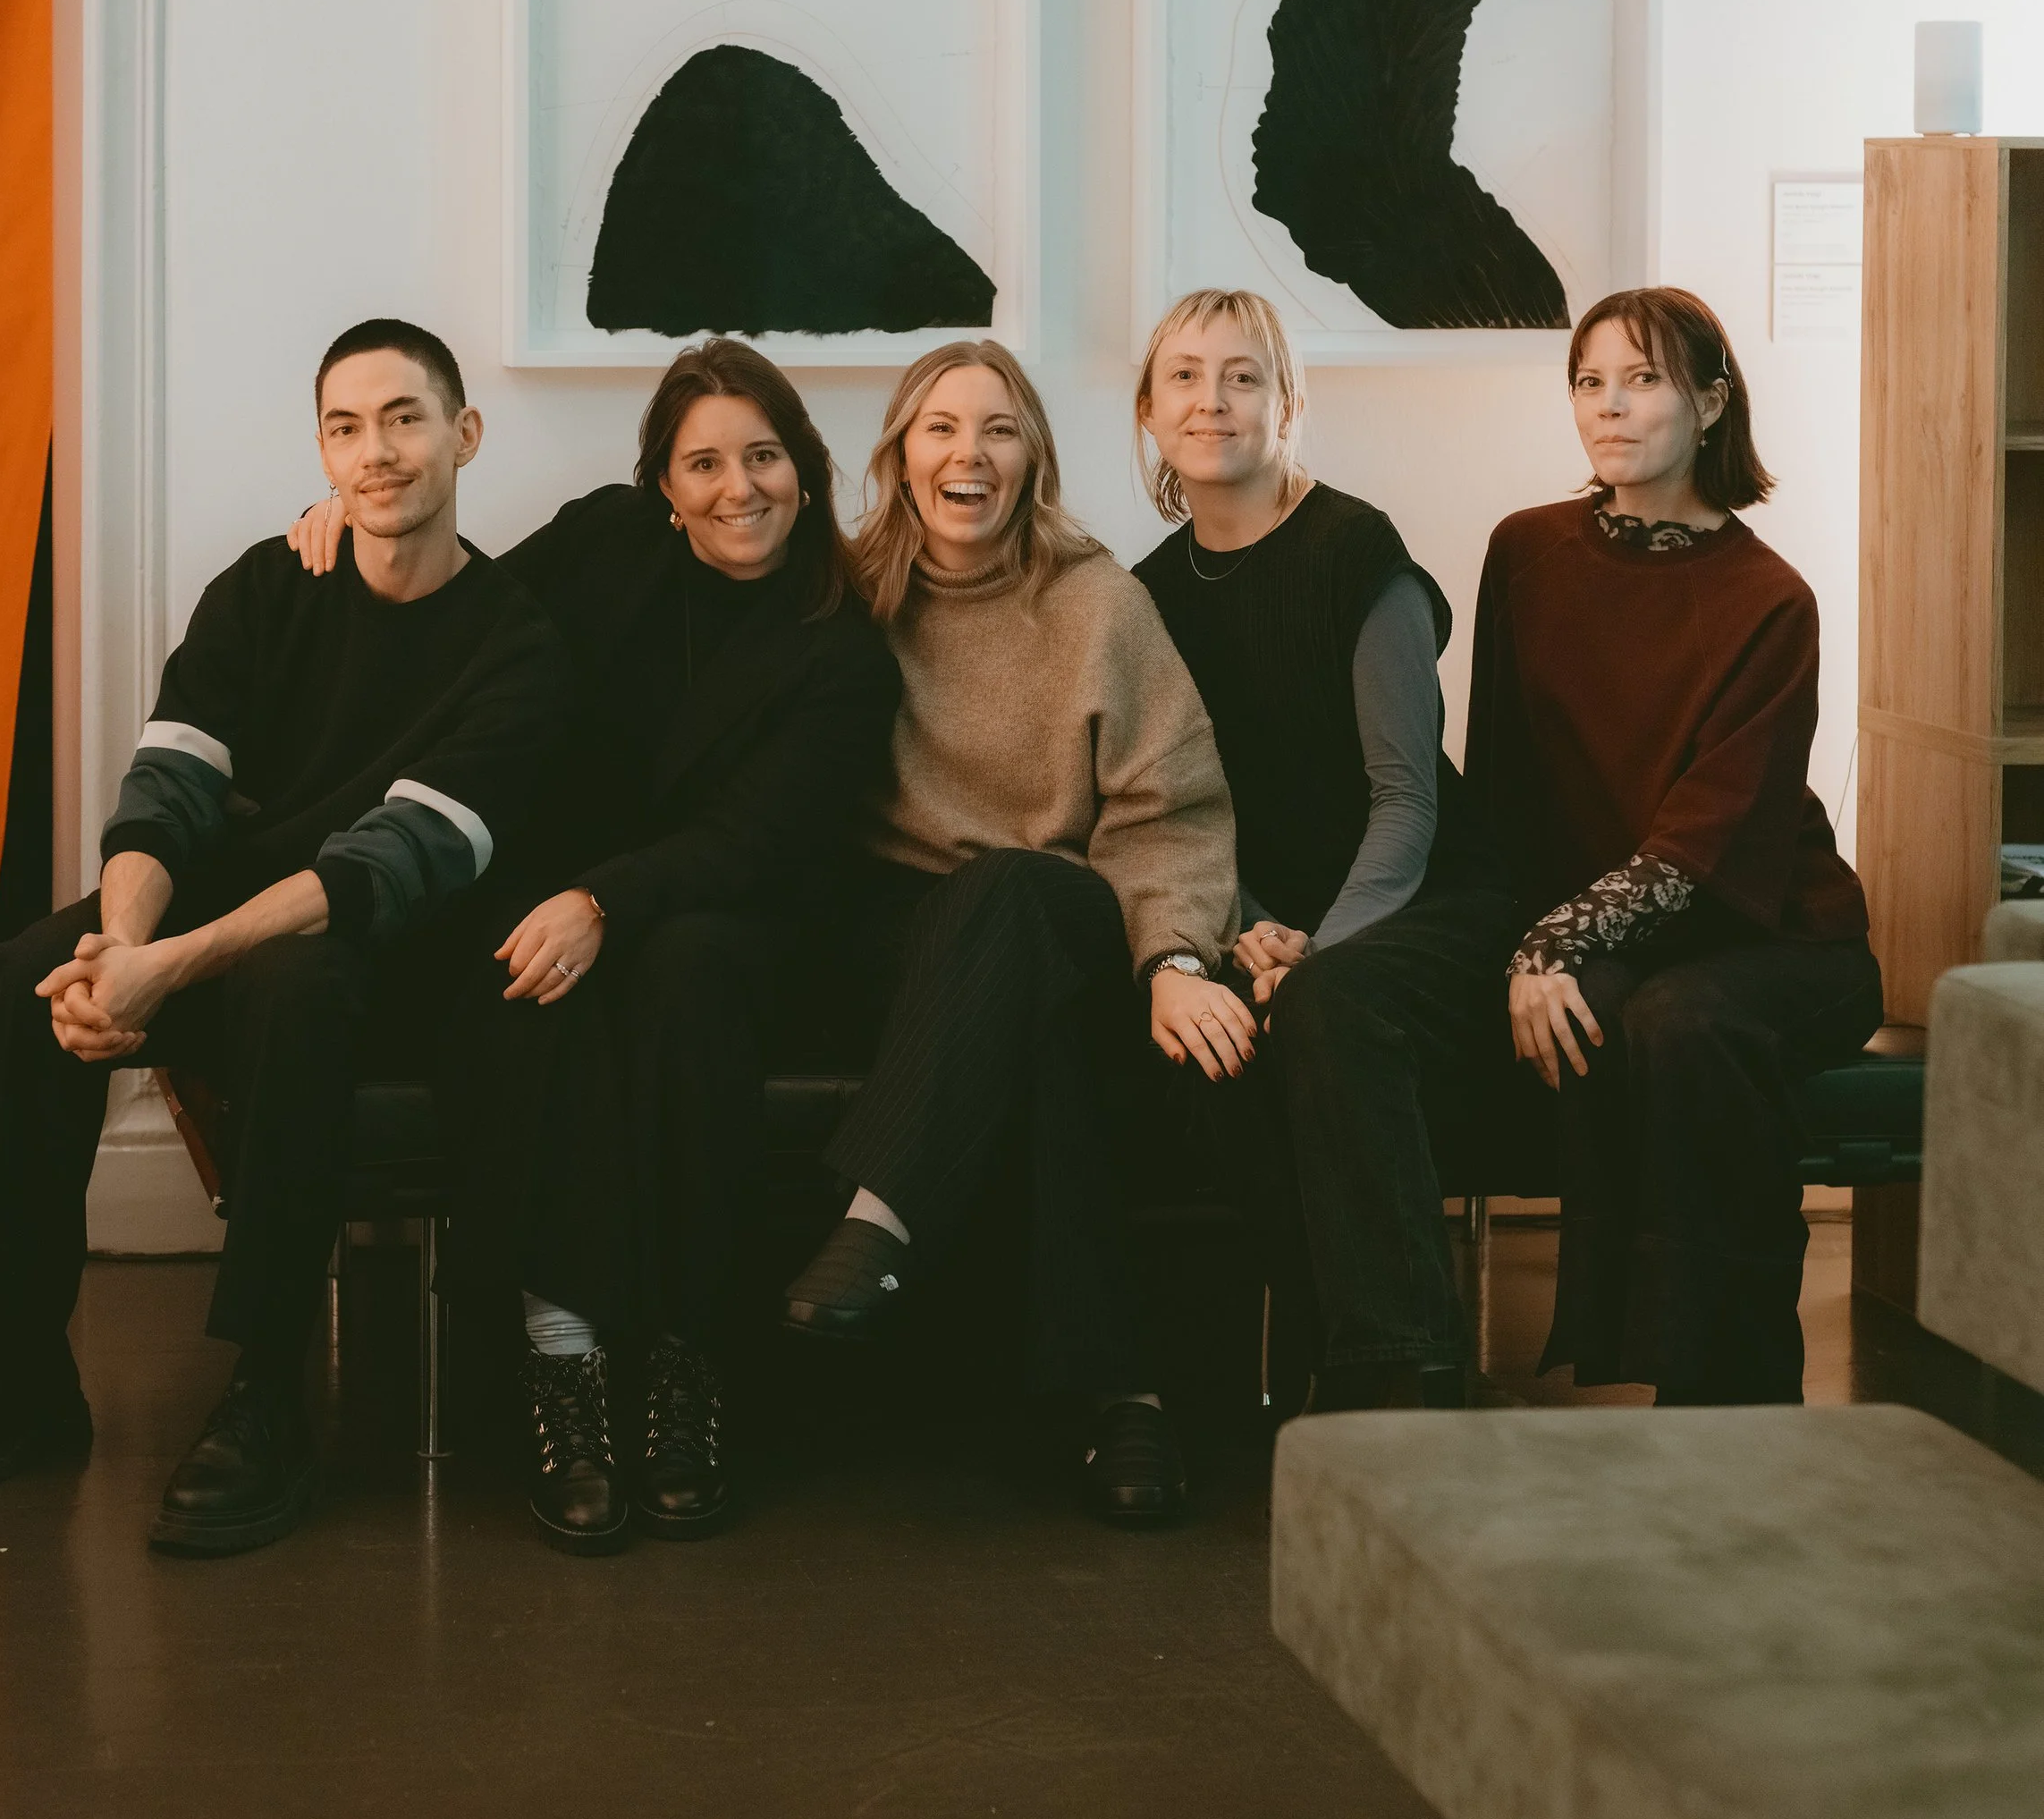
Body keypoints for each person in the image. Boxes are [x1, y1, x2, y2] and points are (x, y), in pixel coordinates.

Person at [0, 320, 570, 1554]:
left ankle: (268, 1395)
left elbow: (384, 866)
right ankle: (27, 1371)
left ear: (466, 435)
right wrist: (117, 953)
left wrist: (162, 970)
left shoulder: (517, 645)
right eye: (347, 426)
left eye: (406, 418)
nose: (377, 452)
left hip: (376, 947)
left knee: (296, 992)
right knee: (21, 984)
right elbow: (169, 790)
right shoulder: (269, 586)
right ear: (321, 448)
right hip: (210, 912)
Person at [288, 338, 899, 1553]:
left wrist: (604, 901)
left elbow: (757, 841)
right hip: (553, 891)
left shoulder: (841, 645)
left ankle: (684, 1369)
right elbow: (460, 613)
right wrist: (351, 526)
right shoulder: (604, 545)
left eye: (765, 456)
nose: (740, 487)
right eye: (705, 463)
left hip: (740, 921)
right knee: (519, 962)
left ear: (806, 468)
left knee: (685, 973)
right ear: (660, 488)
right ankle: (561, 1363)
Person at [778, 339, 1248, 1527]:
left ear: (1033, 456)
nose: (967, 454)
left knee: (1017, 900)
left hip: (1061, 907)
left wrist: (1174, 957)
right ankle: (1126, 1397)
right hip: (901, 939)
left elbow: (1169, 807)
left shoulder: (1098, 603)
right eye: (940, 428)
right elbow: (658, 562)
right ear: (900, 454)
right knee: (1033, 1042)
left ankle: (879, 1215)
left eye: (996, 429)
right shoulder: (847, 592)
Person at [1465, 286, 1881, 1404]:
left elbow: (1709, 838)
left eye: (1641, 379)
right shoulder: (1525, 553)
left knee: (1677, 1020)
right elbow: (1501, 783)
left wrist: (1547, 944)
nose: (1609, 408)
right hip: (1635, 931)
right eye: (1589, 382)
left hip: (1781, 934)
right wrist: (1513, 937)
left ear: (1708, 400)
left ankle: (1733, 1396)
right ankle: (1638, 1362)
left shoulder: (1767, 598)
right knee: (1621, 1006)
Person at [1131, 289, 1513, 1413]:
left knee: (1324, 1012)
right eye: (1187, 377)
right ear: (1150, 413)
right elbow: (1183, 810)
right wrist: (1245, 929)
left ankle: (1403, 1377)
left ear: (1286, 401)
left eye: (1243, 376)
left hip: (1425, 900)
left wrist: (1317, 953)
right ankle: (1295, 1352)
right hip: (1271, 916)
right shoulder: (1145, 598)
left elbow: (1404, 804)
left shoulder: (1357, 551)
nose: (1213, 401)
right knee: (1203, 1040)